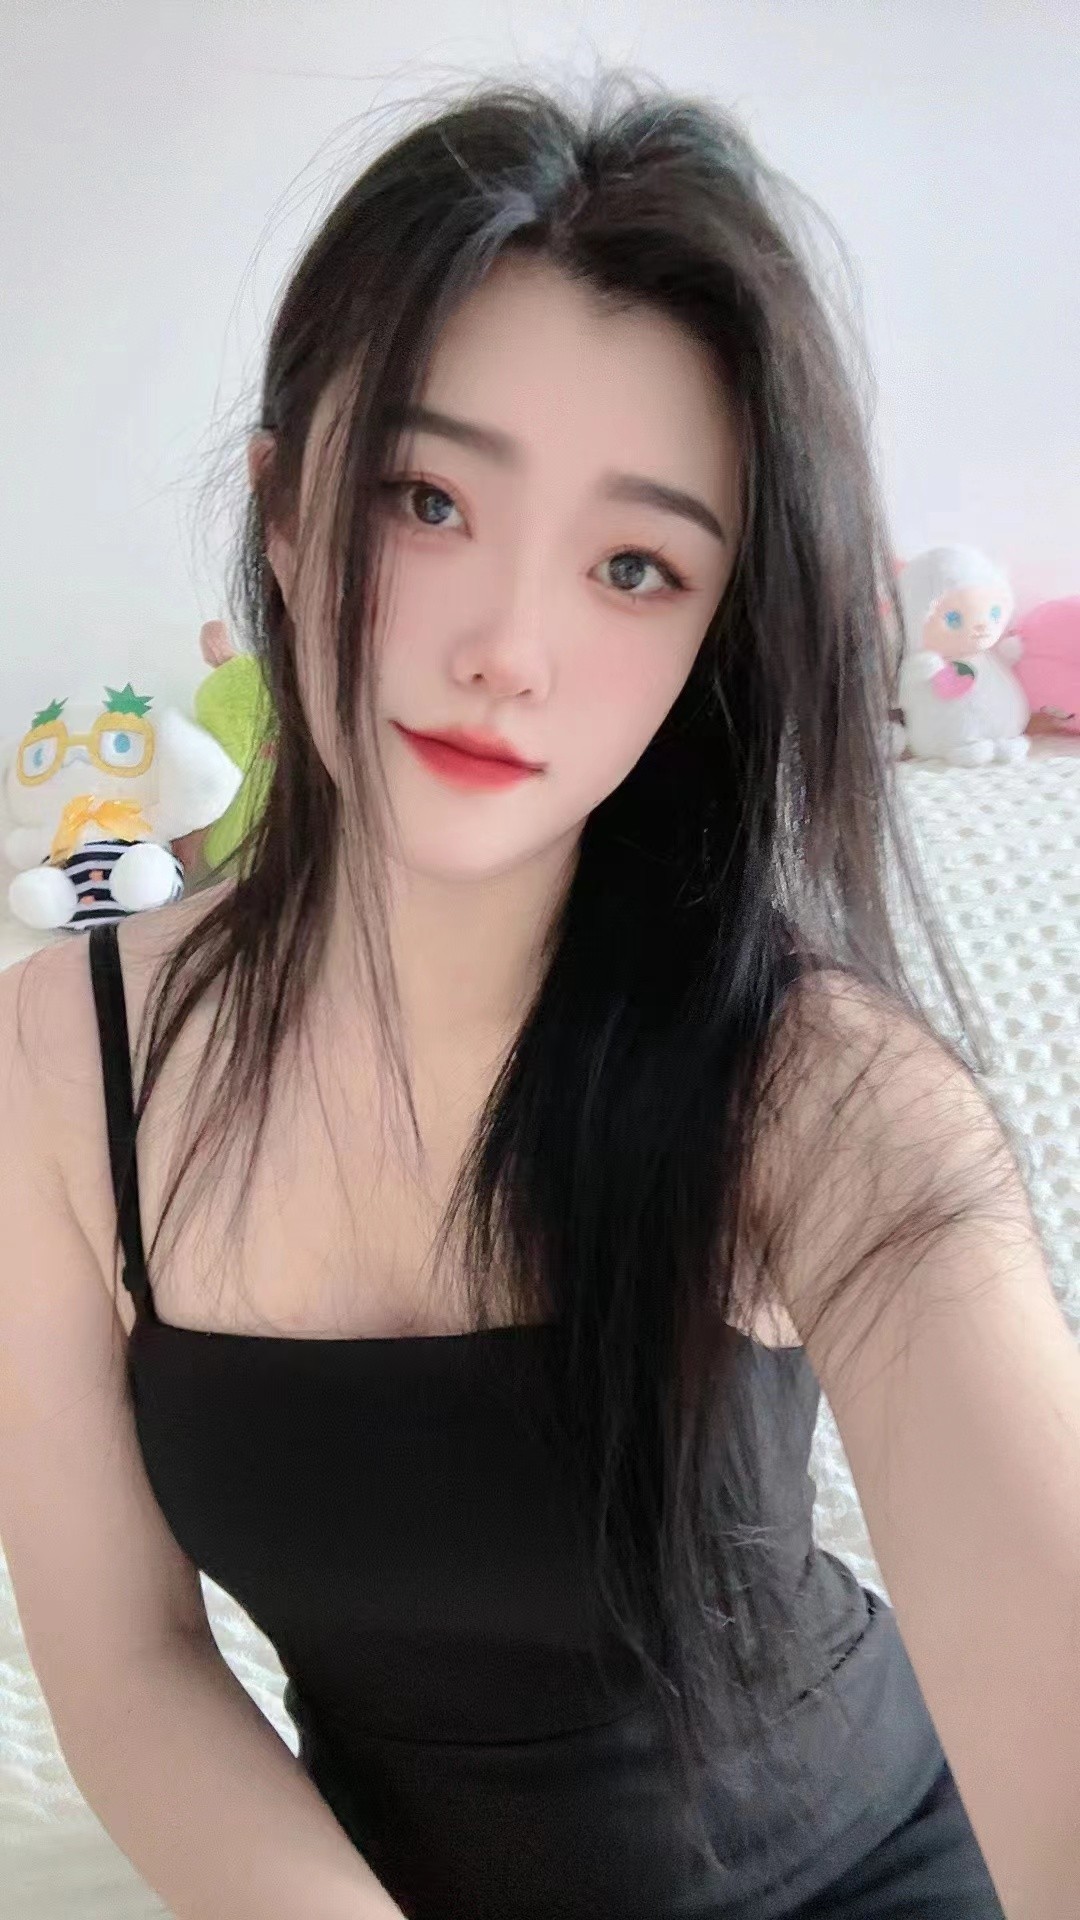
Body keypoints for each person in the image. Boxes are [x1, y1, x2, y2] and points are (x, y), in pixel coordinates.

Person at [5, 73, 1077, 1920]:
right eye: (427, 498)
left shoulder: (819, 1089)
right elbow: (126, 1665)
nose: (510, 647)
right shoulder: (61, 1059)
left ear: (714, 637)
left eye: (636, 566)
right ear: (283, 512)